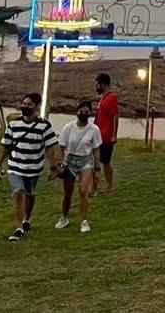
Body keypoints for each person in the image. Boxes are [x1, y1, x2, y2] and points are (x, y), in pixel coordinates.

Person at [0, 92, 59, 242]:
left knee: (30, 194)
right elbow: (6, 146)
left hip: (33, 168)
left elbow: (50, 148)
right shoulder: (13, 125)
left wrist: (53, 167)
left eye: (29, 104)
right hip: (15, 166)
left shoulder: (44, 126)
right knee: (18, 192)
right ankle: (18, 228)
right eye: (24, 104)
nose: (25, 106)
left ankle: (27, 218)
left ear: (36, 106)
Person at [56, 99, 103, 233]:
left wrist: (97, 167)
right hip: (70, 162)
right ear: (77, 112)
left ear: (90, 113)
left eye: (86, 112)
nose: (83, 114)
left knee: (83, 191)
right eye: (81, 111)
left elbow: (96, 150)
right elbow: (61, 147)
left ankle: (84, 221)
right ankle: (64, 217)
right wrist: (60, 164)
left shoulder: (94, 129)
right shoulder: (68, 128)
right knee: (68, 193)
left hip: (85, 162)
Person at [93, 72, 119, 195]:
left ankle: (109, 186)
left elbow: (115, 117)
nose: (96, 87)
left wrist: (114, 135)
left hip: (106, 136)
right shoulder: (102, 98)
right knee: (95, 161)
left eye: (98, 84)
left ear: (103, 84)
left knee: (106, 162)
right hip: (98, 135)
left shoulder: (112, 97)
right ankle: (95, 187)